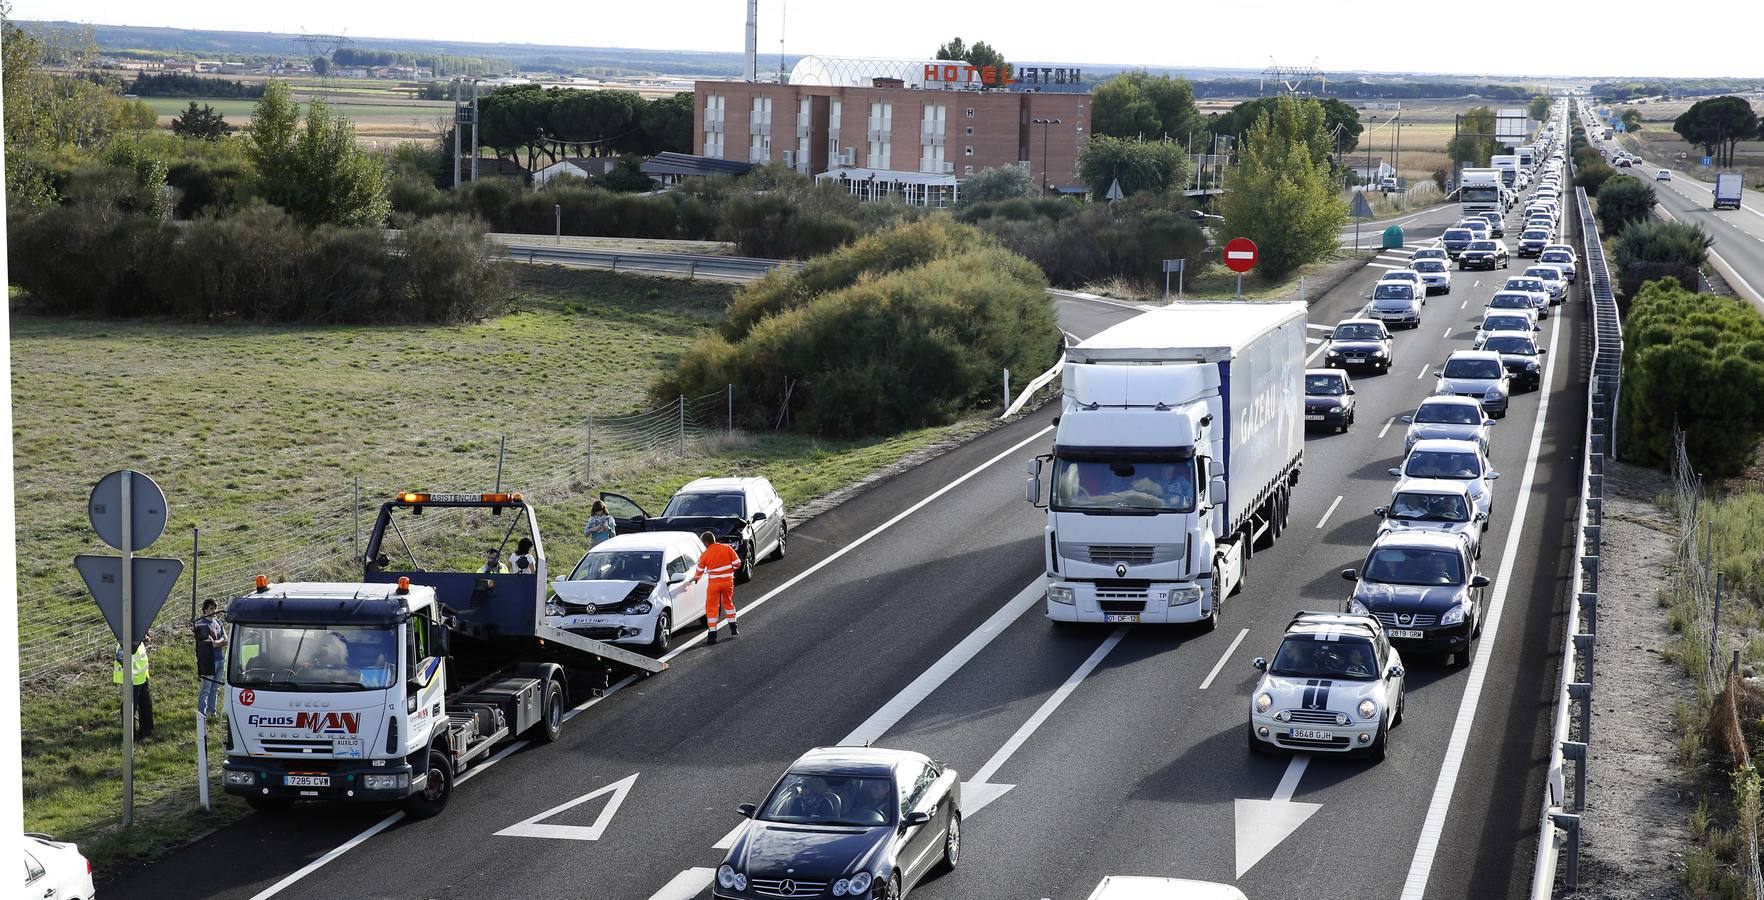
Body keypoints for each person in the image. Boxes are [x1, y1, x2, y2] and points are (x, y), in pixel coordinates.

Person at [688, 530, 742, 644]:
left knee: (712, 607)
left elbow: (699, 571)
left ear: (706, 543)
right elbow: (737, 563)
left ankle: (712, 635)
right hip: (728, 583)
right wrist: (729, 570)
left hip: (714, 585)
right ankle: (734, 628)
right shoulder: (727, 548)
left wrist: (695, 578)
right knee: (728, 603)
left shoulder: (705, 555)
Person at [193, 600, 227, 719]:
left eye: (215, 608)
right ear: (205, 609)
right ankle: (201, 714)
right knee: (206, 689)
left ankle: (212, 713)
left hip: (220, 659)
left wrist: (218, 642)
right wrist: (220, 642)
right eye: (211, 608)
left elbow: (226, 640)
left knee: (215, 689)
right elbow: (210, 645)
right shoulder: (201, 625)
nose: (214, 611)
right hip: (208, 661)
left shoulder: (218, 622)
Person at [114, 639, 153, 740]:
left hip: (141, 676)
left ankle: (146, 731)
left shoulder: (136, 636)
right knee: (130, 706)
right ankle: (130, 735)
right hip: (132, 679)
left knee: (145, 704)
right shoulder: (126, 638)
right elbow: (120, 656)